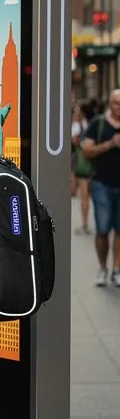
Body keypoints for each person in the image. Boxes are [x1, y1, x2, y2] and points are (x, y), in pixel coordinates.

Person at [81, 88, 120, 287]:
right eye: (116, 103)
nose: (119, 108)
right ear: (110, 104)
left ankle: (117, 269)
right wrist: (110, 144)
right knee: (103, 228)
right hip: (102, 183)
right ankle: (102, 267)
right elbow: (86, 150)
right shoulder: (99, 124)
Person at [70, 102, 92, 235]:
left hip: (78, 161)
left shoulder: (77, 126)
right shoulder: (88, 124)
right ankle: (84, 222)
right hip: (84, 162)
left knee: (80, 192)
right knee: (84, 194)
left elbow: (75, 141)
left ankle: (84, 223)